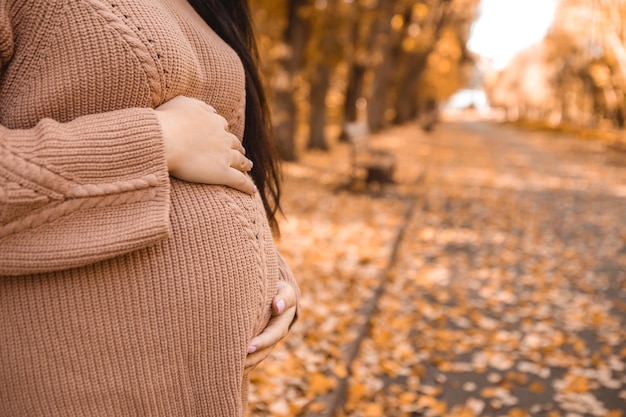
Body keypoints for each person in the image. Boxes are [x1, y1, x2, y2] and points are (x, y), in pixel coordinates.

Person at [0, 0, 299, 415]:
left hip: (205, 389)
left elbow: (222, 160)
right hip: (71, 383)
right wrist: (155, 140)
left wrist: (273, 275)